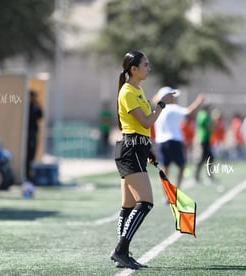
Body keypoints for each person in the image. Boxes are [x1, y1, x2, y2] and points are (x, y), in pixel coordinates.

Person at [110, 50, 174, 270]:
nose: (149, 68)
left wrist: (149, 149)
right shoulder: (127, 91)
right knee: (145, 203)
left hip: (137, 148)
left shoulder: (137, 89)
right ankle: (120, 250)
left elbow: (142, 129)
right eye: (145, 64)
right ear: (133, 69)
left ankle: (122, 252)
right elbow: (146, 122)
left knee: (128, 205)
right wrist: (161, 105)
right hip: (130, 149)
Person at [154, 87, 204, 188]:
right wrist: (199, 101)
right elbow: (189, 112)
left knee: (165, 169)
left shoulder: (158, 110)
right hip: (173, 141)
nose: (174, 99)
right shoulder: (172, 108)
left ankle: (167, 195)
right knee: (182, 166)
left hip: (160, 142)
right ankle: (177, 189)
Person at [194, 104, 215, 183]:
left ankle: (198, 176)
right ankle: (204, 176)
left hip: (205, 139)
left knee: (205, 158)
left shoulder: (203, 114)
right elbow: (209, 127)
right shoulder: (203, 115)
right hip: (203, 139)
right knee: (208, 158)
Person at [26, 90, 43, 181]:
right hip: (28, 135)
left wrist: (38, 104)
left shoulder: (35, 107)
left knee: (32, 155)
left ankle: (30, 173)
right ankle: (27, 173)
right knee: (28, 155)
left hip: (33, 134)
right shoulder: (27, 107)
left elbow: (41, 115)